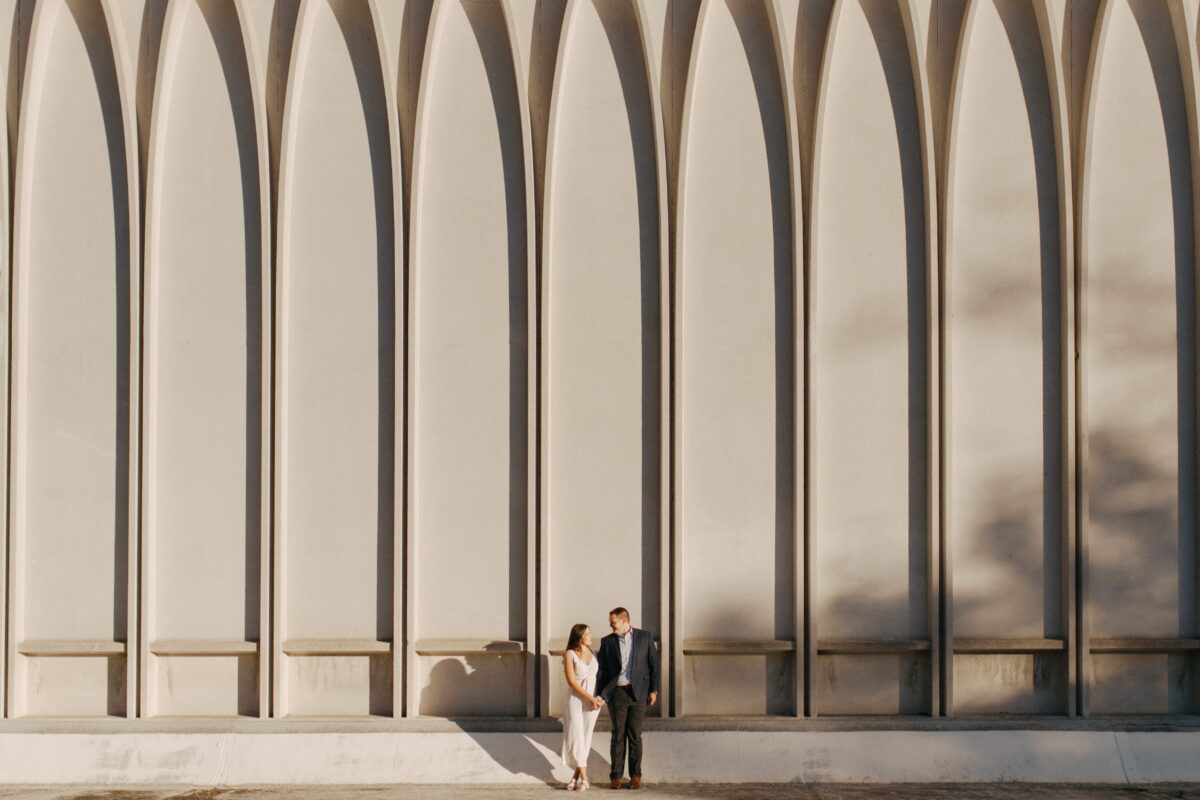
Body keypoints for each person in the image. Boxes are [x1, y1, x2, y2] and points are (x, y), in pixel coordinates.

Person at [594, 607, 659, 790]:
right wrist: (601, 695)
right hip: (618, 693)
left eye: (613, 623)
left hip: (639, 692)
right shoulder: (607, 642)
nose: (611, 626)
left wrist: (654, 690)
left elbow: (654, 665)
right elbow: (602, 671)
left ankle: (635, 775)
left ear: (624, 621)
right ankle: (615, 776)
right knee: (618, 734)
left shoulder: (645, 637)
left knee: (635, 736)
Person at [561, 623, 603, 791]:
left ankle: (575, 776)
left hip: (593, 702)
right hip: (576, 700)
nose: (590, 636)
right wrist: (590, 697)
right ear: (579, 636)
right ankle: (585, 778)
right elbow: (571, 682)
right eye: (587, 634)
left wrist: (599, 698)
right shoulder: (570, 654)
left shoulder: (594, 654)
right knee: (576, 736)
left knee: (585, 737)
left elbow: (599, 677)